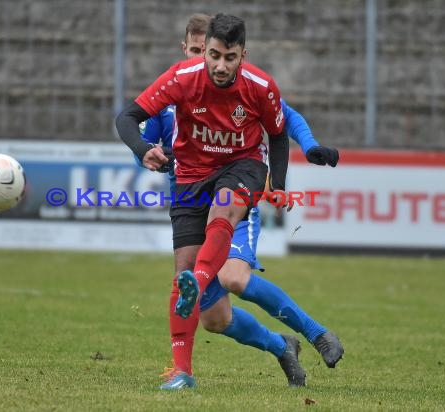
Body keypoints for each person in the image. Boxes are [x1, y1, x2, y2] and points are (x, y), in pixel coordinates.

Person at [117, 13, 342, 390]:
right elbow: (134, 123)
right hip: (189, 183)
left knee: (232, 274)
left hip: (240, 173)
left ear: (241, 55)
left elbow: (284, 123)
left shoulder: (257, 86)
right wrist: (143, 151)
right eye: (205, 53)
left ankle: (315, 331)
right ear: (194, 51)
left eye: (228, 57)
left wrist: (306, 154)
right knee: (215, 319)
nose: (218, 65)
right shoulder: (177, 82)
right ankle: (251, 352)